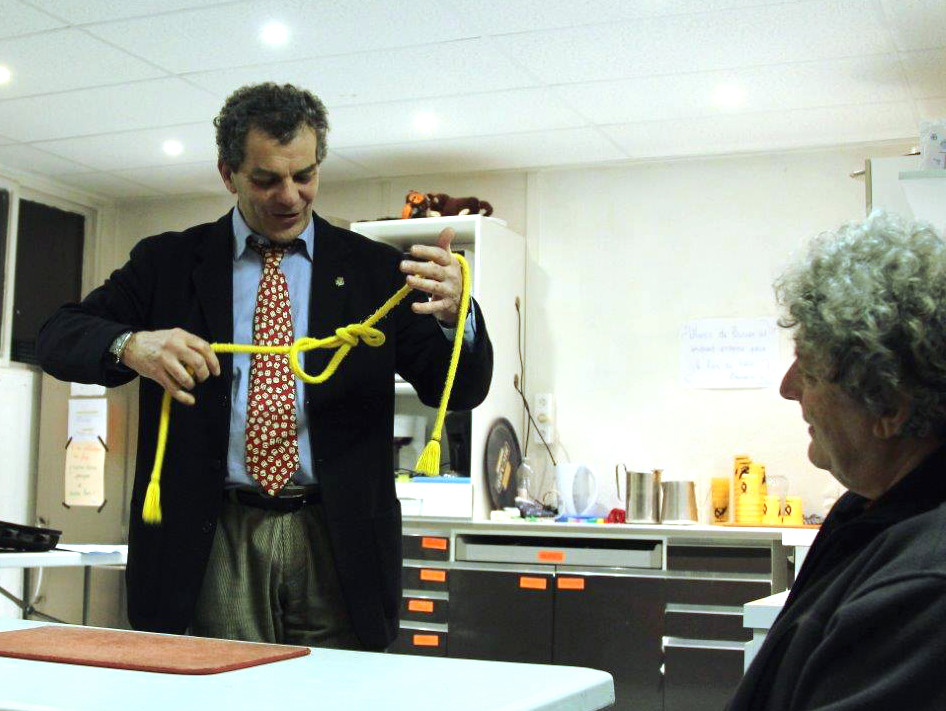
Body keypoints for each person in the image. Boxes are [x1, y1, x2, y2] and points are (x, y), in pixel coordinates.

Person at [36, 83, 493, 651]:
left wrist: (459, 320)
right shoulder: (168, 264)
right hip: (212, 535)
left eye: (305, 175)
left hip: (338, 536)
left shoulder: (377, 271)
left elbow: (461, 388)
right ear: (228, 173)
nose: (290, 196)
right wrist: (131, 345)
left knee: (334, 697)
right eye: (266, 179)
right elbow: (56, 335)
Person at [727, 209, 946, 709]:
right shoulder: (869, 510)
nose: (787, 388)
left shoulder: (923, 593)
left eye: (811, 371)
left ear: (888, 407)